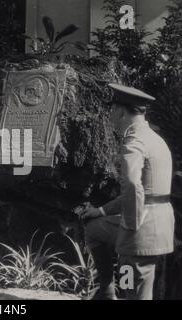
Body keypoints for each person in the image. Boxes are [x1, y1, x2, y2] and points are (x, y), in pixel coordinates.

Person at [81, 84, 175, 300]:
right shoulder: (156, 139)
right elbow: (146, 191)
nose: (111, 116)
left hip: (140, 232)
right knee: (94, 228)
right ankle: (105, 291)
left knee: (131, 289)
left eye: (112, 110)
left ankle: (112, 291)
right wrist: (102, 211)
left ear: (121, 111)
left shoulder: (134, 143)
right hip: (160, 227)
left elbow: (133, 185)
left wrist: (130, 227)